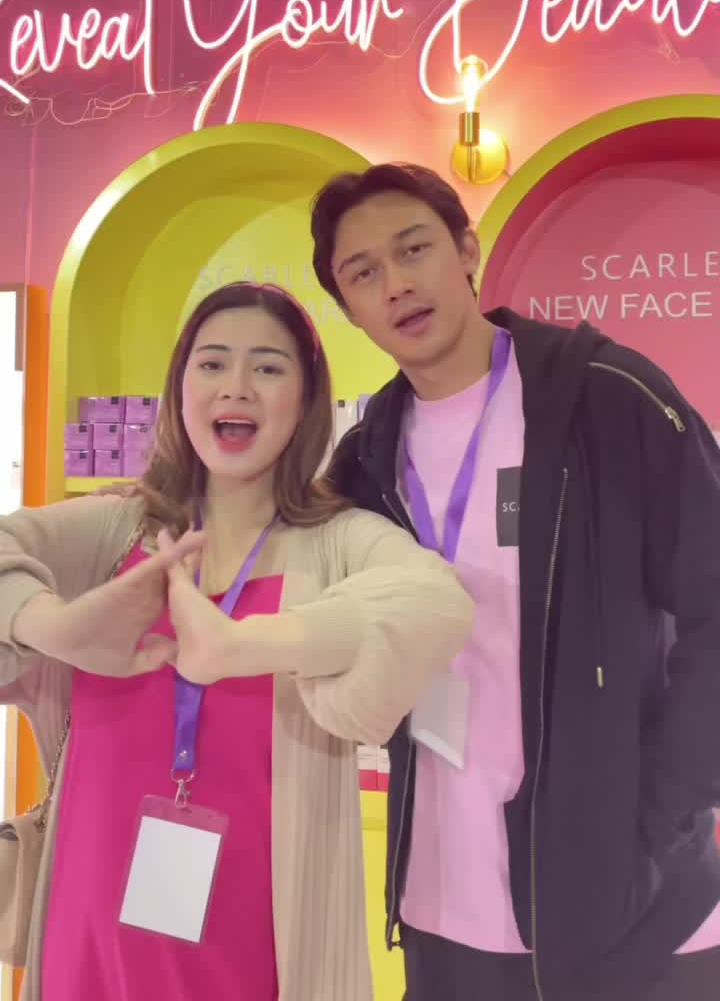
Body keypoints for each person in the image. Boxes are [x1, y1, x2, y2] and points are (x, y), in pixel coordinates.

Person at [309, 162, 720, 1001]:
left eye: (413, 249)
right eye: (364, 273)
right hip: (442, 902)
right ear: (348, 308)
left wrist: (657, 815)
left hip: (626, 908)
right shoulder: (366, 458)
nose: (397, 285)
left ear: (467, 251)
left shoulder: (606, 397)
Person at [0, 281, 473, 1001]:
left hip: (256, 940)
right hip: (92, 925)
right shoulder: (116, 529)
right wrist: (56, 628)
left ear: (305, 401)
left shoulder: (338, 540)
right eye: (213, 363)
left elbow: (437, 601)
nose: (237, 387)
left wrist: (242, 646)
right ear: (181, 388)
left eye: (268, 367)